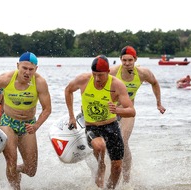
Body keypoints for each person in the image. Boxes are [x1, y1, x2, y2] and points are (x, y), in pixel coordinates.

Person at [0, 51, 51, 190]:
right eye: (24, 68)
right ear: (18, 66)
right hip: (8, 122)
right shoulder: (6, 79)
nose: (27, 72)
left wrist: (36, 126)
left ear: (36, 69)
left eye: (31, 69)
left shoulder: (40, 83)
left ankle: (15, 171)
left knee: (31, 170)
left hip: (28, 126)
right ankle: (15, 184)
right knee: (11, 160)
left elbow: (47, 109)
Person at [65, 55, 136, 189]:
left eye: (101, 75)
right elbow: (68, 90)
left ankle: (109, 188)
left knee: (117, 166)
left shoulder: (117, 85)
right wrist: (71, 116)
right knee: (99, 146)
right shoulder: (83, 80)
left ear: (108, 72)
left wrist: (117, 110)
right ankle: (101, 165)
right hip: (92, 127)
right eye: (95, 74)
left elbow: (131, 111)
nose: (97, 79)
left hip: (111, 126)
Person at [109, 46, 166, 185]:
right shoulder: (112, 72)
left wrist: (158, 103)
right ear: (120, 60)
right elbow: (95, 84)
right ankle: (111, 170)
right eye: (124, 60)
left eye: (130, 60)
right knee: (108, 144)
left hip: (128, 110)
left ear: (135, 59)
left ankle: (126, 180)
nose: (127, 63)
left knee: (123, 141)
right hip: (110, 110)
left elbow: (155, 83)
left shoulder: (142, 73)